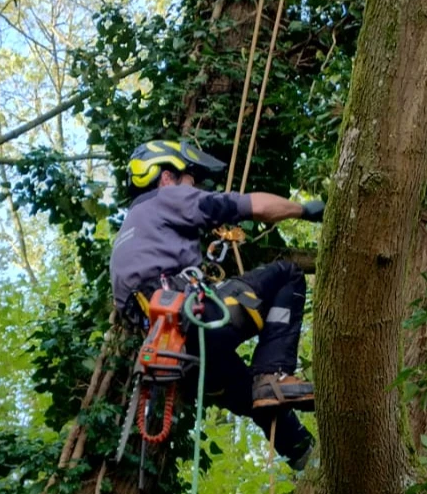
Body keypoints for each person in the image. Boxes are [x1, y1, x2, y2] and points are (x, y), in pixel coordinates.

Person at [109, 139, 325, 470]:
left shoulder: (130, 233)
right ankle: (275, 373)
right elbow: (255, 206)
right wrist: (306, 211)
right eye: (189, 179)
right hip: (197, 319)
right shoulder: (167, 198)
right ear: (166, 177)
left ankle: (308, 460)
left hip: (181, 358)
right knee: (287, 275)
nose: (194, 187)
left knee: (258, 399)